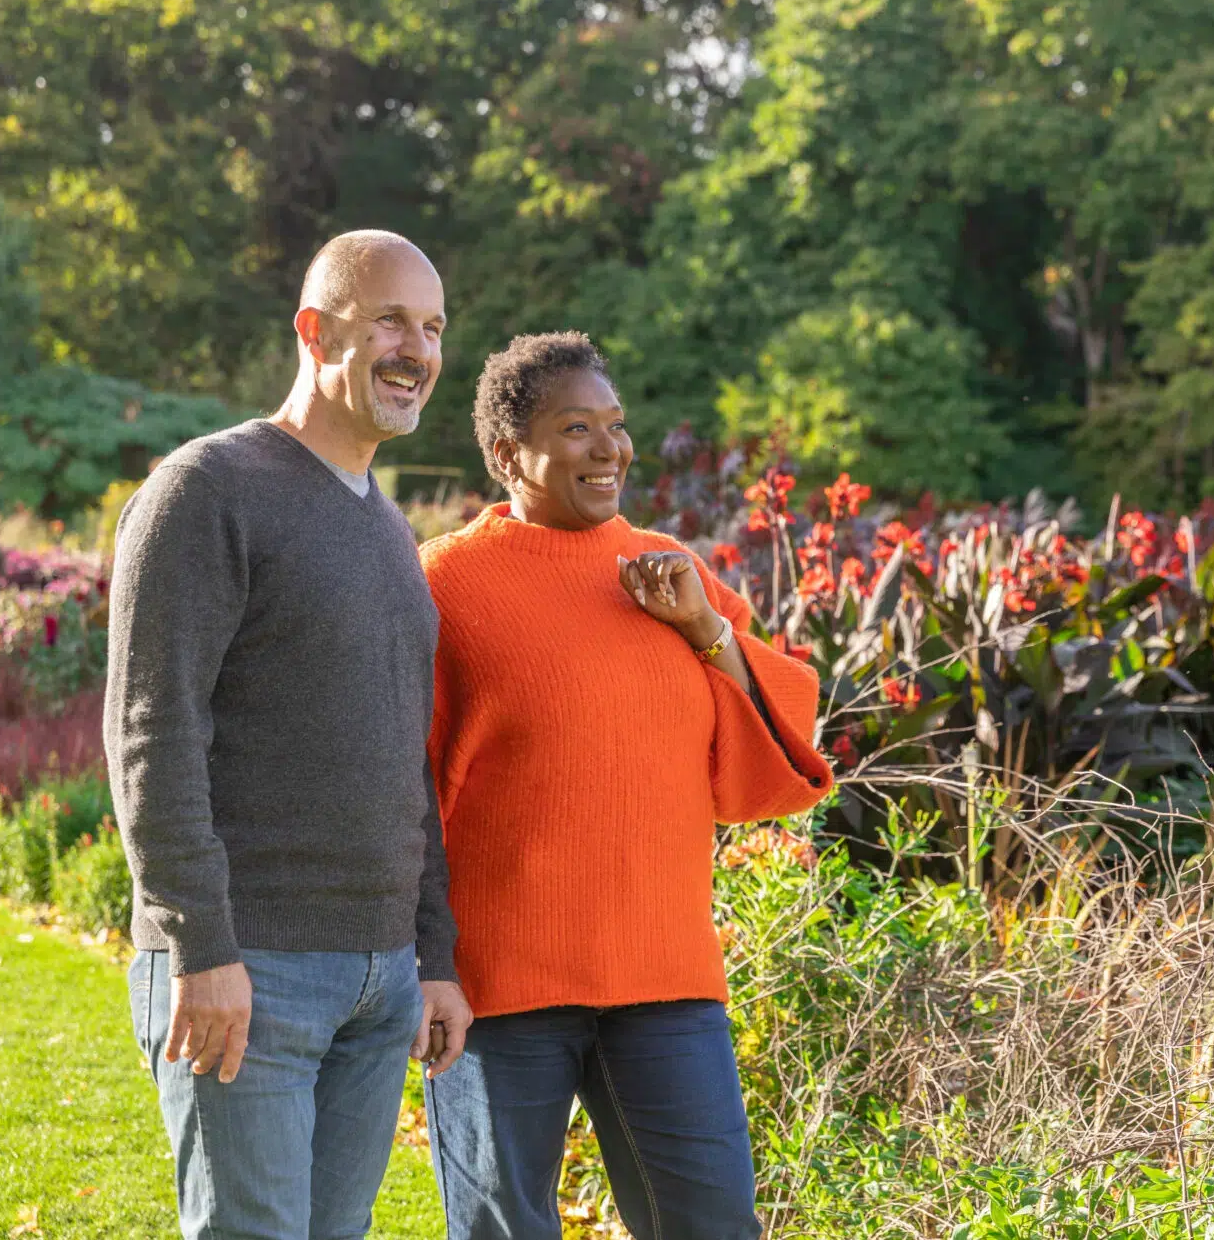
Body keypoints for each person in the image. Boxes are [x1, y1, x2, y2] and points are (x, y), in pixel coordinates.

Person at [419, 331, 835, 1240]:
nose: (611, 449)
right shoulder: (444, 584)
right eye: (576, 428)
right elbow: (405, 787)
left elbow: (783, 748)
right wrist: (426, 963)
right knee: (503, 1230)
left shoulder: (671, 573)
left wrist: (705, 632)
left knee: (714, 1223)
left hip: (665, 975)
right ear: (506, 453)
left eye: (615, 424)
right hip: (498, 987)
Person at [105, 230, 474, 1240]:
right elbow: (152, 732)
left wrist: (428, 953)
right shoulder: (207, 490)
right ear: (314, 331)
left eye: (434, 328)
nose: (418, 351)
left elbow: (411, 758)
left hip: (376, 978)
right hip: (248, 965)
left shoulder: (388, 534)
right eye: (390, 320)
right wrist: (198, 943)